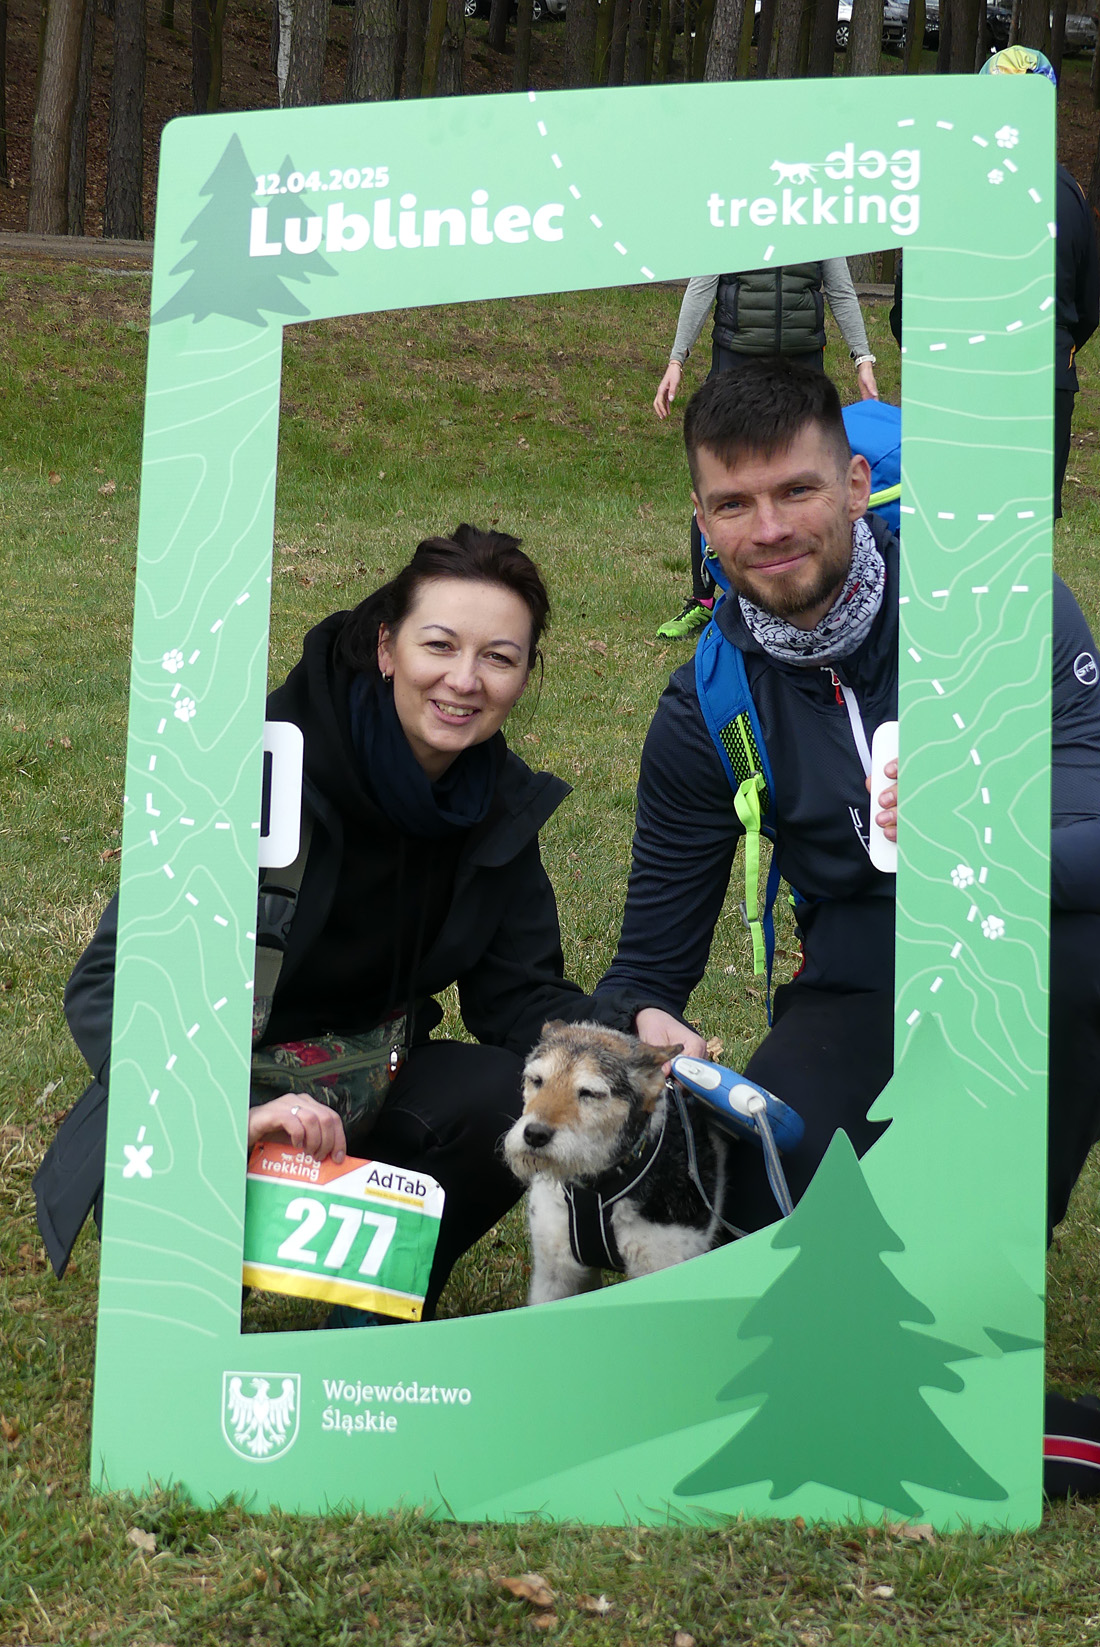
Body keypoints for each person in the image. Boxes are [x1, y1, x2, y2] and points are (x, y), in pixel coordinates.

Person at [35, 525, 632, 1324]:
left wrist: (635, 1049)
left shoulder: (495, 804)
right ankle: (198, 1281)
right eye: (439, 645)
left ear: (525, 675)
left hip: (366, 1080)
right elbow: (109, 983)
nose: (464, 679)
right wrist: (230, 1111)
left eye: (499, 656)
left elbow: (519, 1000)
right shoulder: (251, 766)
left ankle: (365, 1329)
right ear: (387, 647)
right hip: (206, 1097)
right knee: (179, 1313)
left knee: (507, 1093)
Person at [598, 357, 1100, 1242]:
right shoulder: (708, 704)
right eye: (733, 504)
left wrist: (986, 841)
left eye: (798, 490)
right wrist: (646, 1018)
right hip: (862, 967)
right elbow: (647, 964)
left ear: (857, 485)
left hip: (1029, 936)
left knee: (969, 1213)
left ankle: (990, 1241)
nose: (770, 529)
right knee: (757, 1210)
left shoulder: (1000, 613)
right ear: (702, 521)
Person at [652, 261, 880, 640]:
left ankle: (807, 596)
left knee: (800, 483)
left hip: (802, 360)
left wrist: (863, 359)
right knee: (724, 484)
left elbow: (840, 289)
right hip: (737, 357)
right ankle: (703, 600)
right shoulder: (728, 223)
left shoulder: (819, 226)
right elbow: (701, 285)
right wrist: (677, 360)